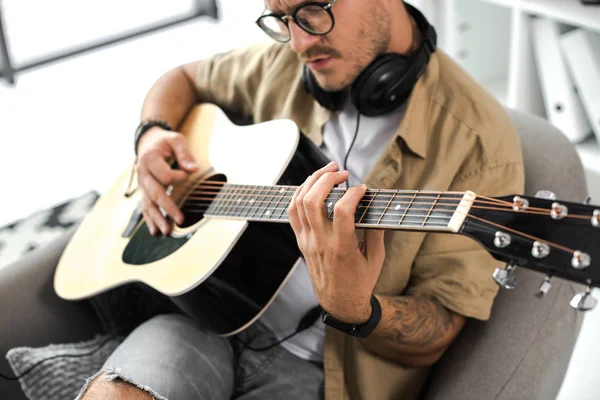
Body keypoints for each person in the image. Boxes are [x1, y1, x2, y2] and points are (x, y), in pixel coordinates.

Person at [18, 1, 525, 399]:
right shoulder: (281, 66)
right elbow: (182, 79)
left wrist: (357, 308)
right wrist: (152, 135)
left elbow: (439, 326)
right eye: (281, 19)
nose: (300, 42)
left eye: (313, 11)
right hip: (200, 316)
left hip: (319, 369)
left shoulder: (478, 143)